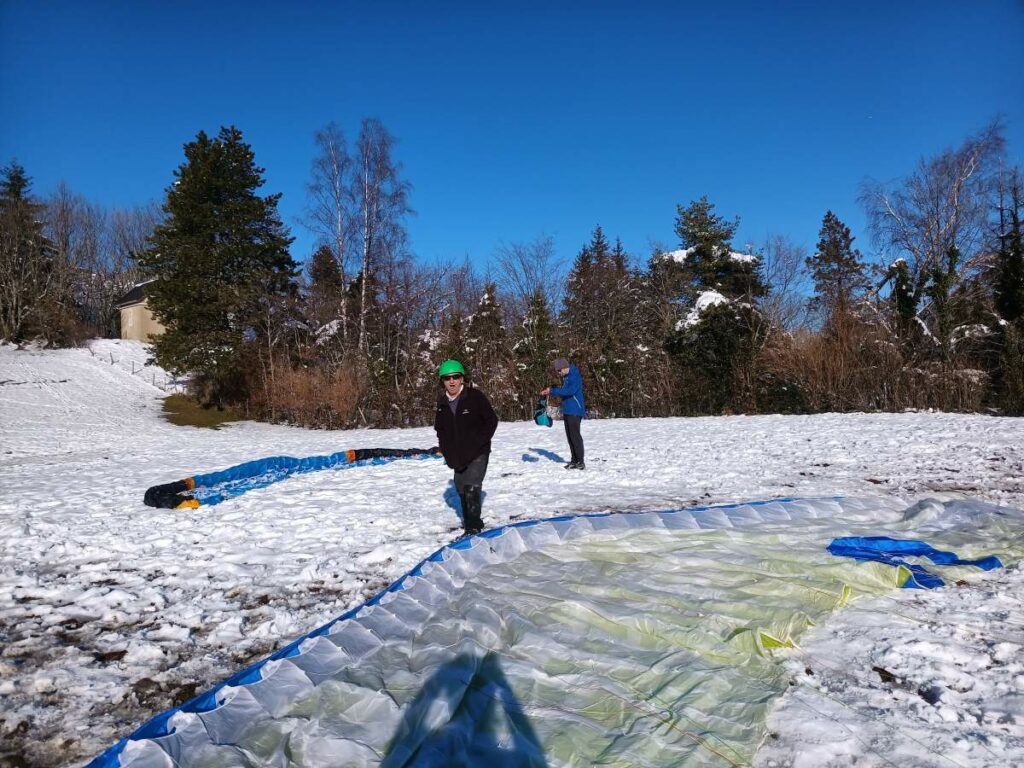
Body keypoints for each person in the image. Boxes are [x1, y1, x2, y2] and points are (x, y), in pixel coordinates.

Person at [433, 359, 499, 535]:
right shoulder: (442, 404)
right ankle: (469, 523)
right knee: (461, 487)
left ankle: (473, 527)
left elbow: (491, 420)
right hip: (457, 455)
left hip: (478, 452)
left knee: (471, 486)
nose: (452, 381)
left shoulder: (475, 397)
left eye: (456, 377)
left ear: (462, 379)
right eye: (447, 378)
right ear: (443, 381)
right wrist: (446, 452)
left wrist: (479, 441)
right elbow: (440, 430)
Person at [541, 357, 586, 469]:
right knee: (570, 437)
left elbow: (569, 391)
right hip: (568, 410)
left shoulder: (574, 376)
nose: (558, 373)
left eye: (559, 370)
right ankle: (574, 460)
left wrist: (552, 391)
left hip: (575, 410)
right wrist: (550, 390)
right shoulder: (567, 376)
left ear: (565, 367)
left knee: (575, 437)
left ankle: (580, 462)